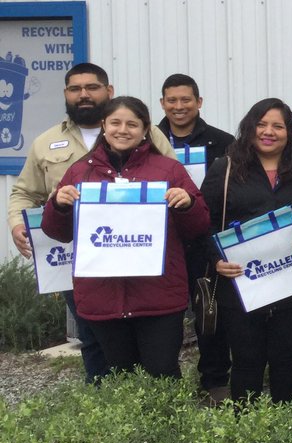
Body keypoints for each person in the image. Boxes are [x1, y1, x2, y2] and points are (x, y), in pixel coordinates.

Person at [7, 63, 175, 383]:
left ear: (108, 91)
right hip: (80, 259)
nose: (83, 94)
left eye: (92, 87)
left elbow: (172, 179)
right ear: (66, 95)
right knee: (93, 335)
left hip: (140, 255)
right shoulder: (45, 142)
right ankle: (101, 400)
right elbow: (24, 193)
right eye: (75, 89)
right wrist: (17, 224)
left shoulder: (146, 132)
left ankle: (148, 400)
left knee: (146, 337)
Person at [41, 96, 210, 379]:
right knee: (120, 377)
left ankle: (167, 425)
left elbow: (199, 227)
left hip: (158, 296)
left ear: (145, 130)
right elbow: (57, 232)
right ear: (104, 126)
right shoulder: (80, 172)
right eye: (115, 123)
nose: (123, 130)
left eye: (132, 124)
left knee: (162, 372)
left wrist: (188, 204)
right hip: (102, 296)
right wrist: (58, 204)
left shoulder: (169, 170)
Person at [201, 99, 292, 403]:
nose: (268, 132)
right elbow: (205, 223)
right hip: (239, 283)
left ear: (289, 132)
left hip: (291, 282)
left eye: (278, 126)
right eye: (261, 124)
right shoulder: (224, 169)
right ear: (250, 127)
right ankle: (247, 431)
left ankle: (286, 431)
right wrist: (215, 260)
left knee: (287, 360)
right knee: (246, 362)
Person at [158, 73, 236, 403]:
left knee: (209, 316)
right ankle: (163, 383)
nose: (179, 107)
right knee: (164, 318)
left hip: (207, 241)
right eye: (171, 100)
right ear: (162, 104)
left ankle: (215, 382)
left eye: (186, 99)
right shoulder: (149, 141)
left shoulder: (223, 142)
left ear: (199, 102)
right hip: (162, 244)